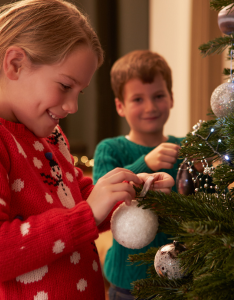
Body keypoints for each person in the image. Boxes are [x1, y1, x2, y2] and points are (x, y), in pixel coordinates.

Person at [0, 1, 174, 299]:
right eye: (65, 86)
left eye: (79, 92)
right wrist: (88, 214)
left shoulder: (52, 136)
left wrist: (134, 192)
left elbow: (83, 202)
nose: (72, 106)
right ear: (15, 64)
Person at [93, 50, 184, 299]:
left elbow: (204, 205)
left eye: (158, 96)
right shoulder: (109, 149)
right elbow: (102, 200)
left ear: (172, 98)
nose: (151, 107)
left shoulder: (185, 148)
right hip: (128, 284)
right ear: (120, 106)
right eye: (138, 99)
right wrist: (144, 163)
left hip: (182, 279)